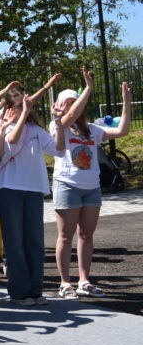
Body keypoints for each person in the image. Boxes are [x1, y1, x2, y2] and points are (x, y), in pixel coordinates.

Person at [50, 70, 133, 299]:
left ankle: (84, 281)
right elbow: (69, 116)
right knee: (65, 236)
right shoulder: (58, 125)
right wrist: (87, 88)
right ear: (59, 105)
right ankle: (65, 282)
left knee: (86, 234)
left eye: (73, 103)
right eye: (67, 103)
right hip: (67, 185)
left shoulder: (91, 130)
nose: (71, 106)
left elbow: (121, 130)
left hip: (91, 187)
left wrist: (126, 103)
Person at [0, 86, 65, 305]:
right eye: (20, 105)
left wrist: (58, 122)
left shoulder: (36, 130)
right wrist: (22, 115)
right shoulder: (5, 129)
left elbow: (59, 150)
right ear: (11, 109)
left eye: (26, 105)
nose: (26, 108)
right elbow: (12, 141)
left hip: (34, 190)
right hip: (9, 189)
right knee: (14, 242)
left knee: (34, 242)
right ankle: (20, 291)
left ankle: (35, 290)